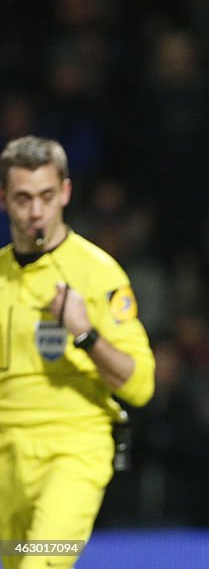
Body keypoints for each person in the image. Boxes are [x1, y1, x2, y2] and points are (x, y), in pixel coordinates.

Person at [0, 136, 155, 569]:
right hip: (5, 456)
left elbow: (140, 386)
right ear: (3, 199)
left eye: (47, 197)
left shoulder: (98, 273)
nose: (36, 212)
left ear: (65, 192)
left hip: (73, 449)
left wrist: (85, 334)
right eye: (23, 198)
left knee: (39, 565)